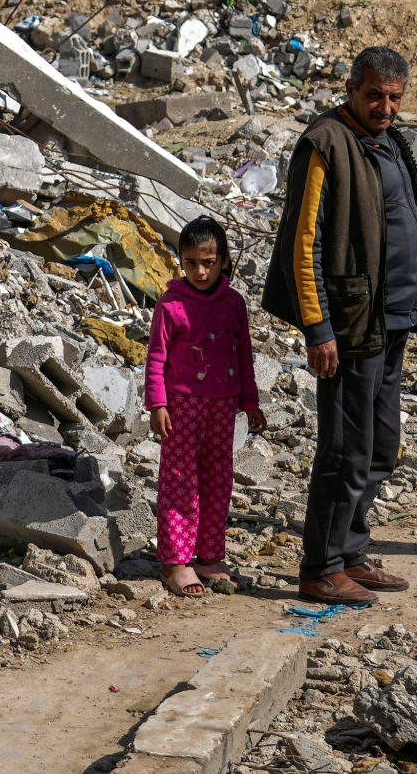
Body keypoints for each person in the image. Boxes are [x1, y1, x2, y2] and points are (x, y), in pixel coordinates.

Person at [265, 46, 417, 606]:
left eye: (394, 98)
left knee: (382, 446)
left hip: (391, 325)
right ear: (350, 90)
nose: (385, 107)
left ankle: (352, 552)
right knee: (345, 450)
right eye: (374, 96)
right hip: (350, 328)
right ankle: (321, 566)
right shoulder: (326, 143)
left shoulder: (389, 142)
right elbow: (303, 241)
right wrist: (317, 327)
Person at [145, 215, 265, 599]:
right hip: (181, 405)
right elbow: (156, 359)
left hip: (223, 406)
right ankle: (176, 561)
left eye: (208, 262)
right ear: (181, 260)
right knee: (180, 480)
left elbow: (242, 353)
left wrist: (250, 401)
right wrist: (157, 404)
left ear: (224, 261)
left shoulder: (233, 304)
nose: (200, 271)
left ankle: (210, 556)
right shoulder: (171, 304)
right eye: (192, 262)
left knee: (218, 479)